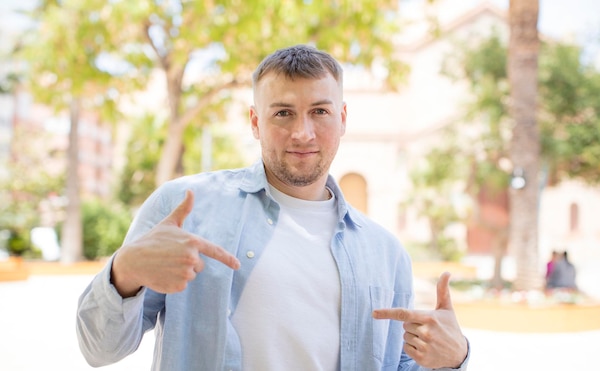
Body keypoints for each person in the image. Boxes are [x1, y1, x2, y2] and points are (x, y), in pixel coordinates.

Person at [76, 44, 469, 371]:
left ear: (343, 117)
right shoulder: (183, 207)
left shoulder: (386, 253)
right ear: (255, 122)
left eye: (320, 111)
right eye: (283, 113)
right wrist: (124, 270)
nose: (302, 132)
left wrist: (455, 359)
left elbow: (401, 364)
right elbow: (100, 348)